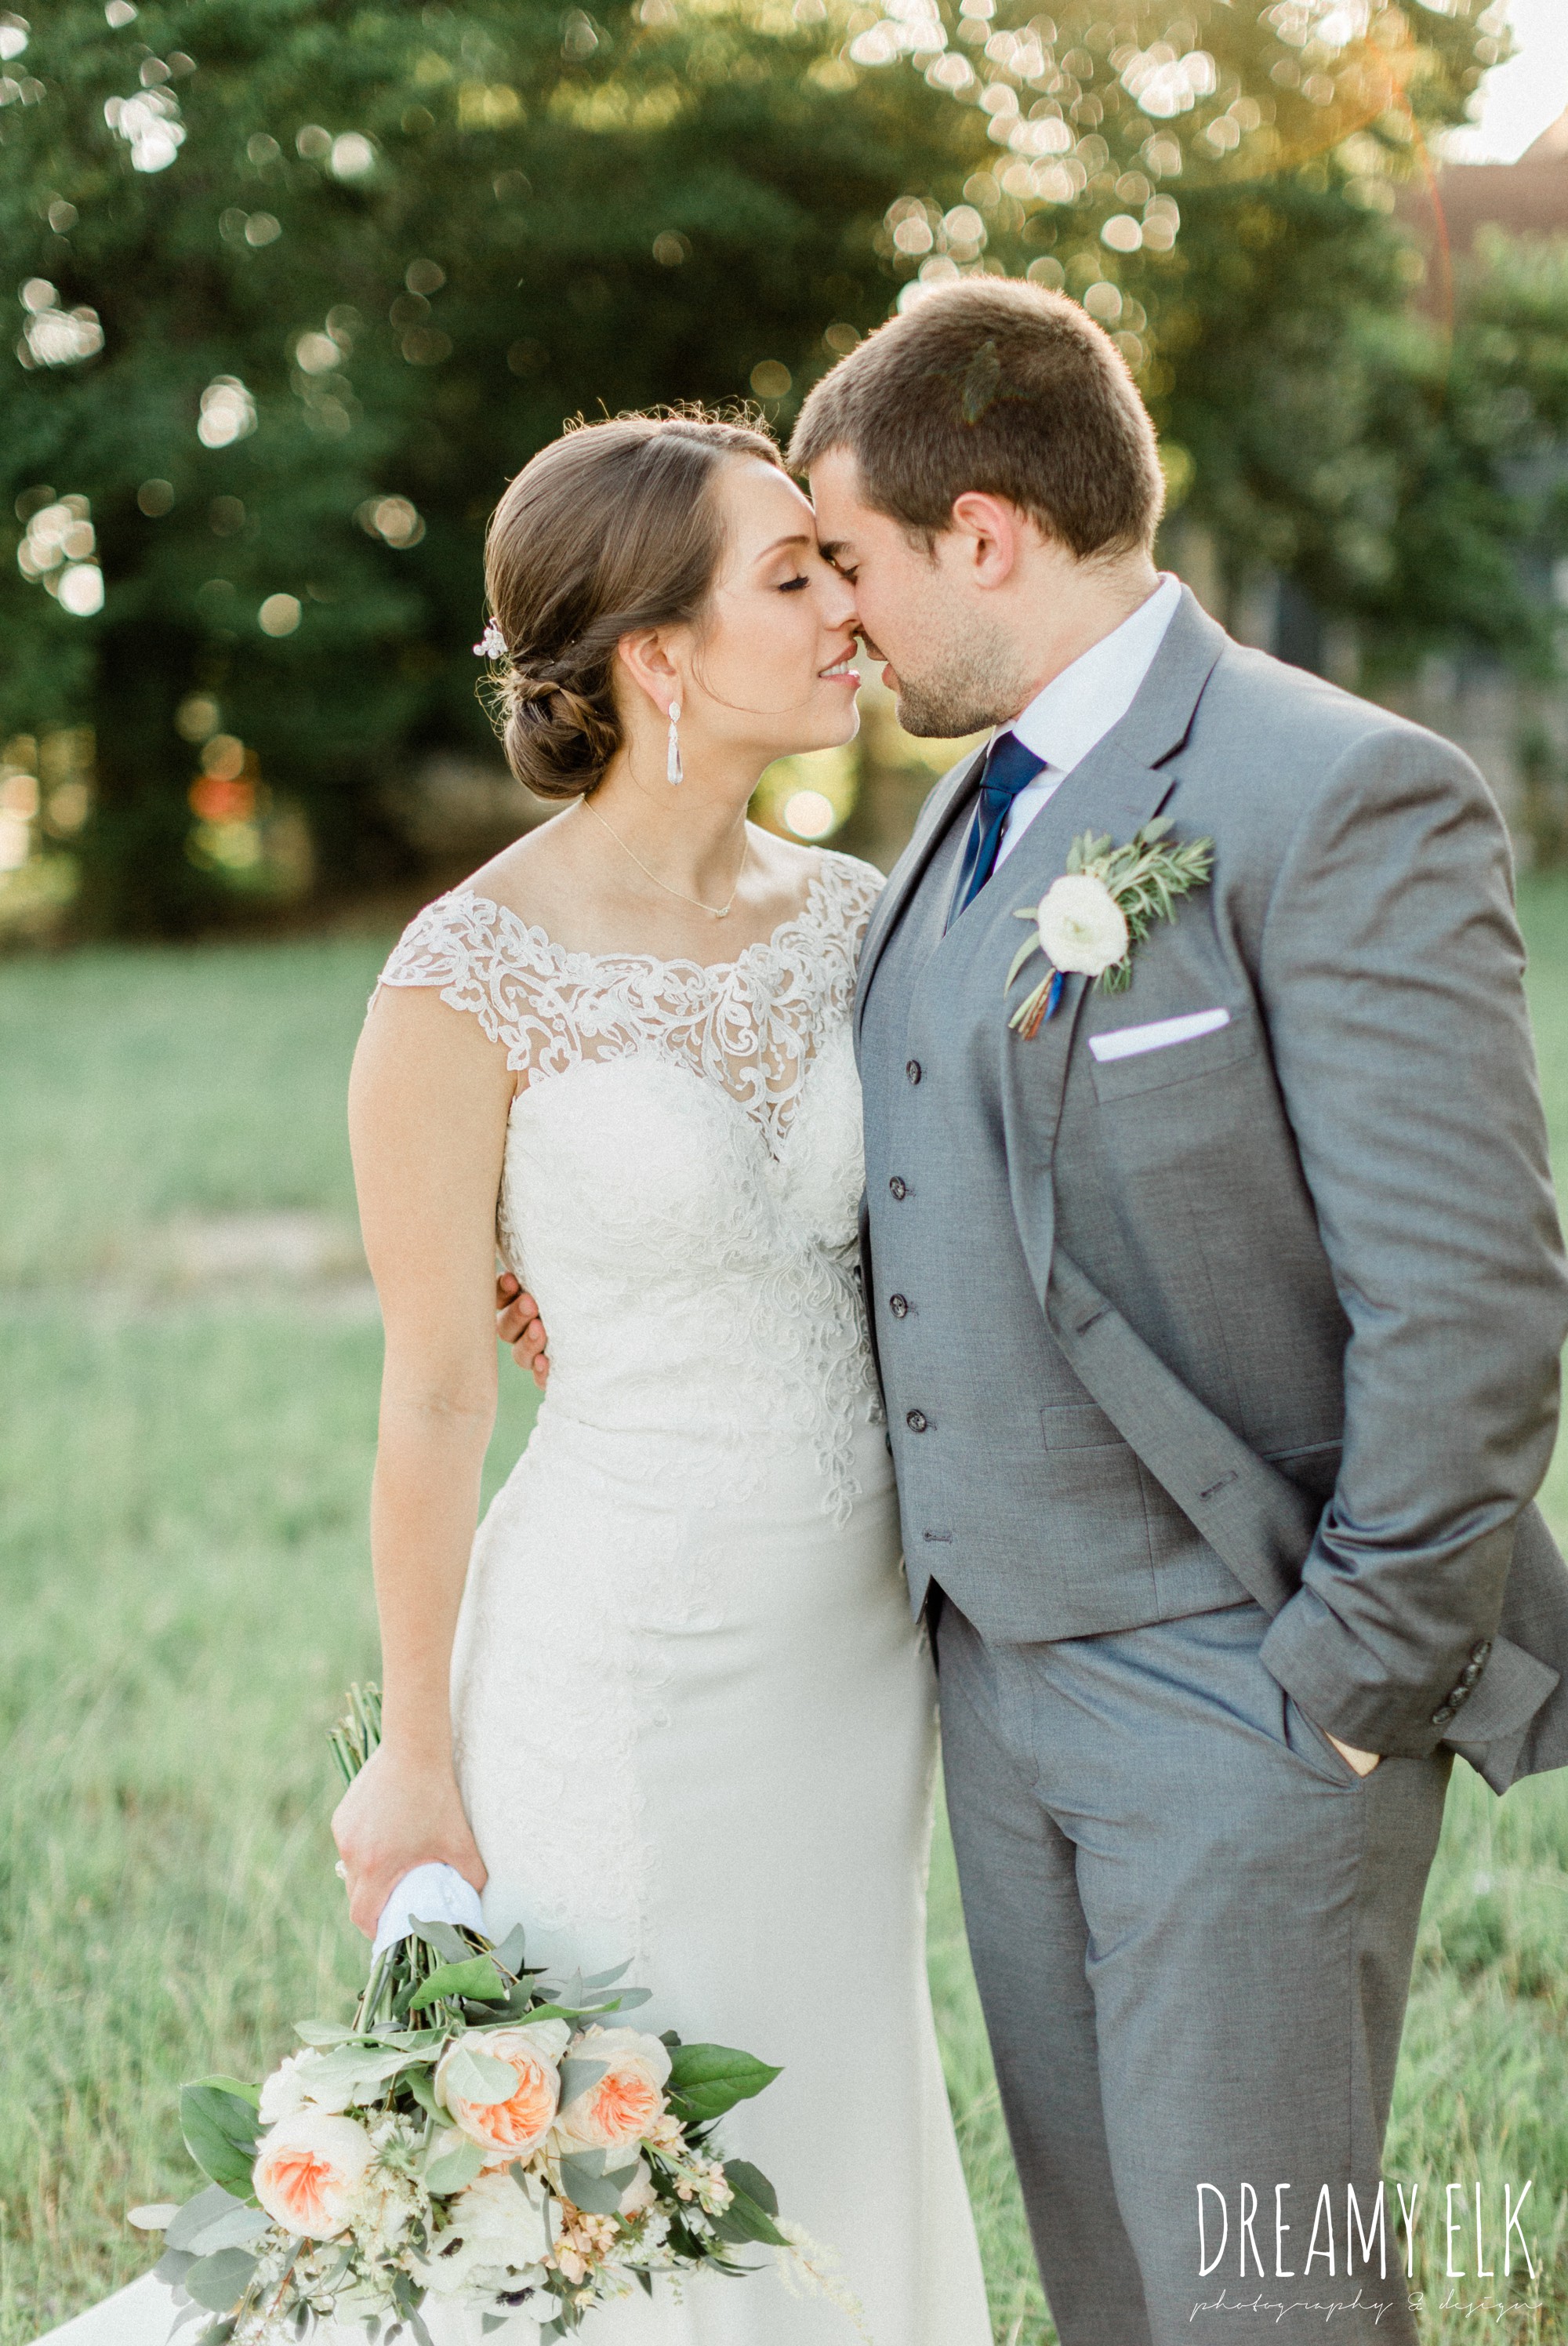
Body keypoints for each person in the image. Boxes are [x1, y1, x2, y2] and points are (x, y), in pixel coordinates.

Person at [508, 282, 1568, 2346]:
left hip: (1246, 1698)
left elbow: (1475, 1295)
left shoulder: (1335, 794)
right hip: (993, 1698)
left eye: (854, 563)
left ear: (981, 535)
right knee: (1108, 2287)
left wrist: (1347, 1679)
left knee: (1261, 2299)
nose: (841, 622)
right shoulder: (956, 818)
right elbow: (934, 1174)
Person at [35, 412, 992, 2346]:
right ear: (655, 654)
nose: (846, 607)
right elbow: (432, 1395)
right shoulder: (461, 979)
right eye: (792, 573)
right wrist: (412, 1748)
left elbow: (928, 1254)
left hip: (850, 1659)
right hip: (615, 1655)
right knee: (587, 2177)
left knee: (822, 2078)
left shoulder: (865, 921)